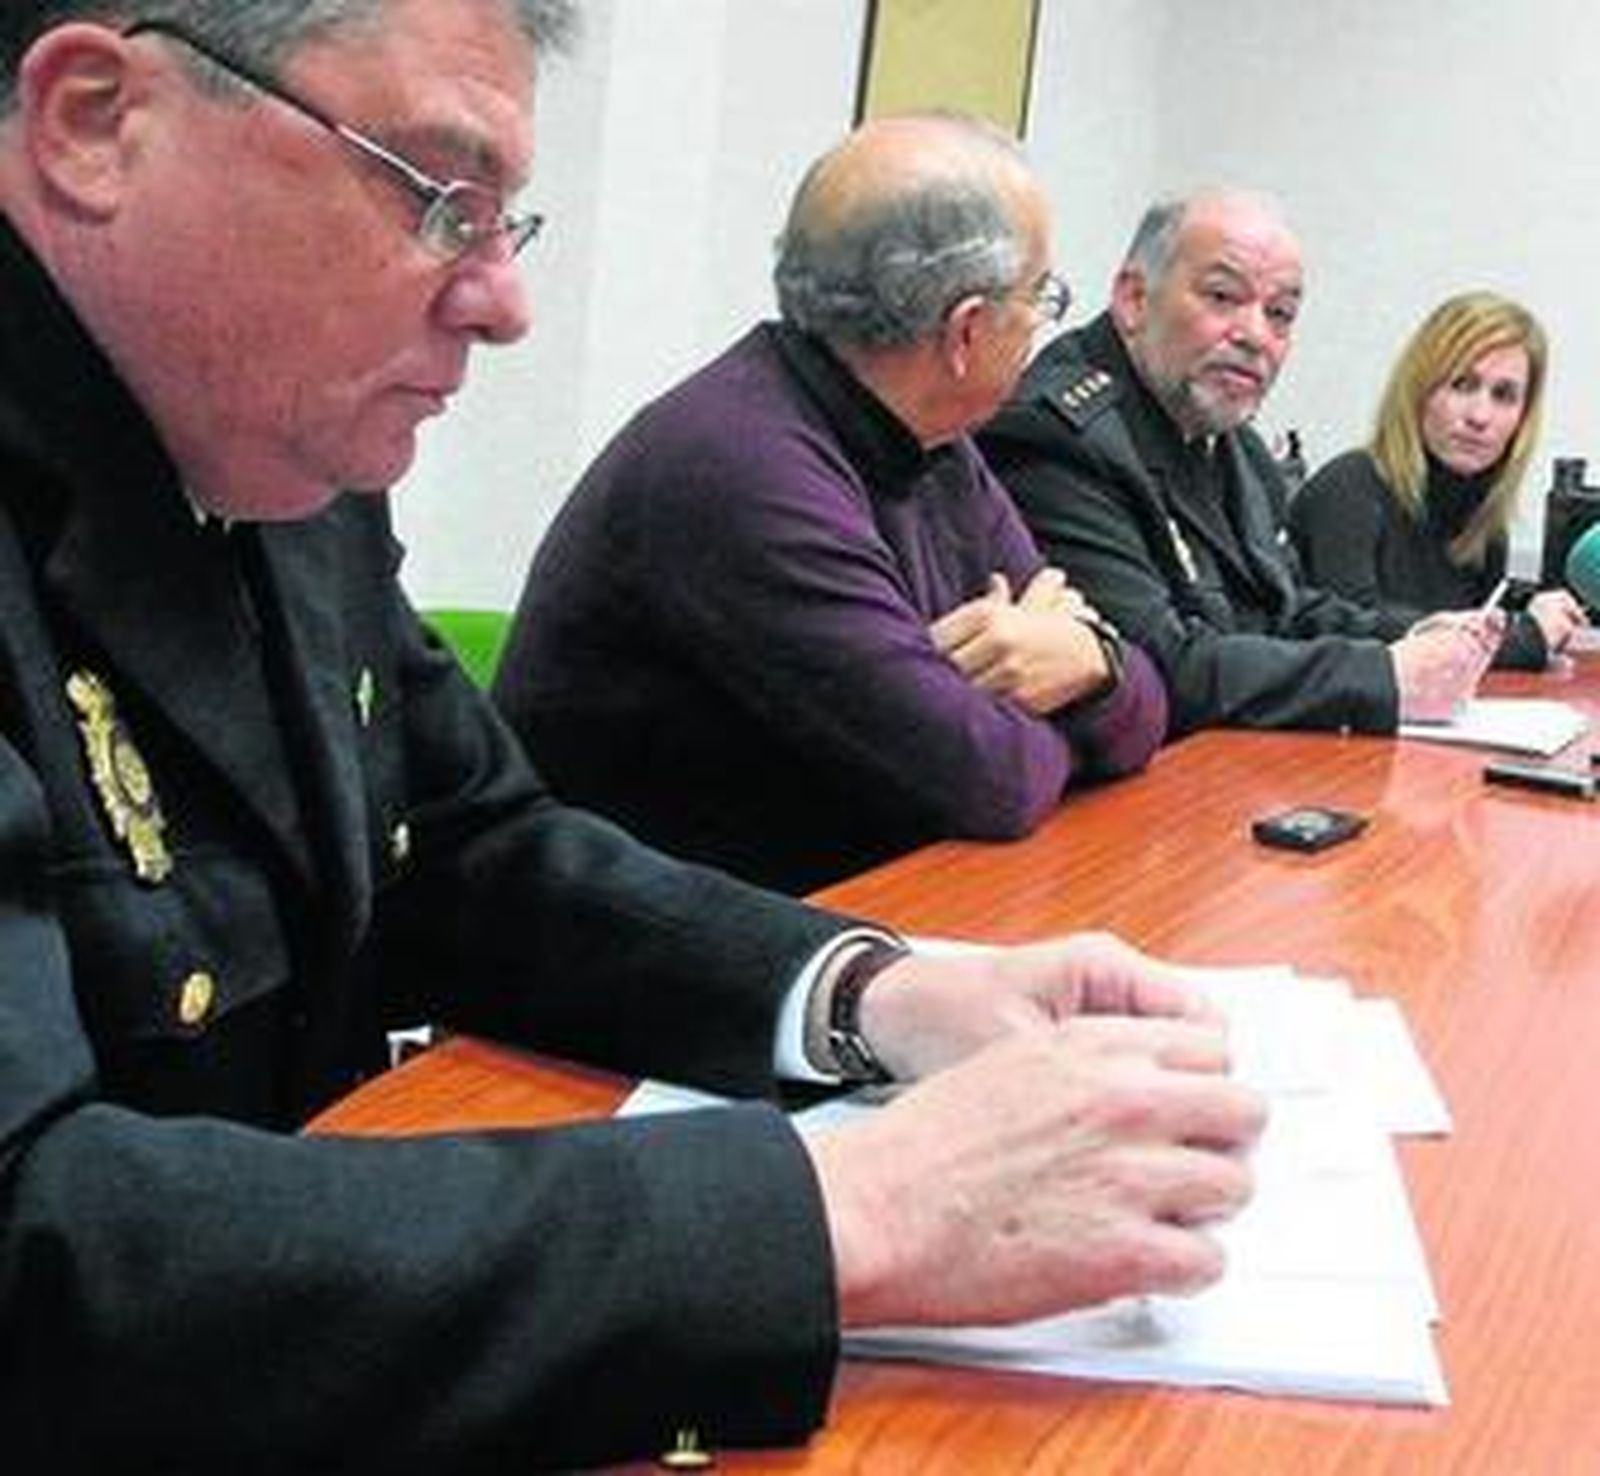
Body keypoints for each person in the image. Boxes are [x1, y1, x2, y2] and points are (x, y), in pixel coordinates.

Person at [0, 6, 1263, 1471]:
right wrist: (840, 1208)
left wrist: (886, 994)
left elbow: (474, 851)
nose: (502, 301)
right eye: (434, 198)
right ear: (97, 121)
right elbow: (37, 1243)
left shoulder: (274, 451)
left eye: (500, 221)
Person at [492, 113, 1167, 895]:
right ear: (967, 332)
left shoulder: (938, 441)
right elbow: (984, 781)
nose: (1044, 320)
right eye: (1040, 296)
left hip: (825, 915)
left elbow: (1145, 706)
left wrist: (1095, 663)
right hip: (622, 972)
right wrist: (1055, 691)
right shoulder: (737, 468)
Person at [978, 188, 1500, 736]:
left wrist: (1415, 637)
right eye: (1223, 297)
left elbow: (1283, 610)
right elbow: (1153, 666)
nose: (1255, 336)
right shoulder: (1057, 436)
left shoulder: (1234, 445)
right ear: (1134, 299)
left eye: (1280, 314)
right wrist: (1382, 676)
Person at [1289, 291, 1586, 668]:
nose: (1480, 415)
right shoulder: (1347, 488)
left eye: (1504, 395)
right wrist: (1521, 639)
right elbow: (1351, 637)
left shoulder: (1485, 525)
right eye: (1462, 385)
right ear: (1418, 389)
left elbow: (1465, 663)